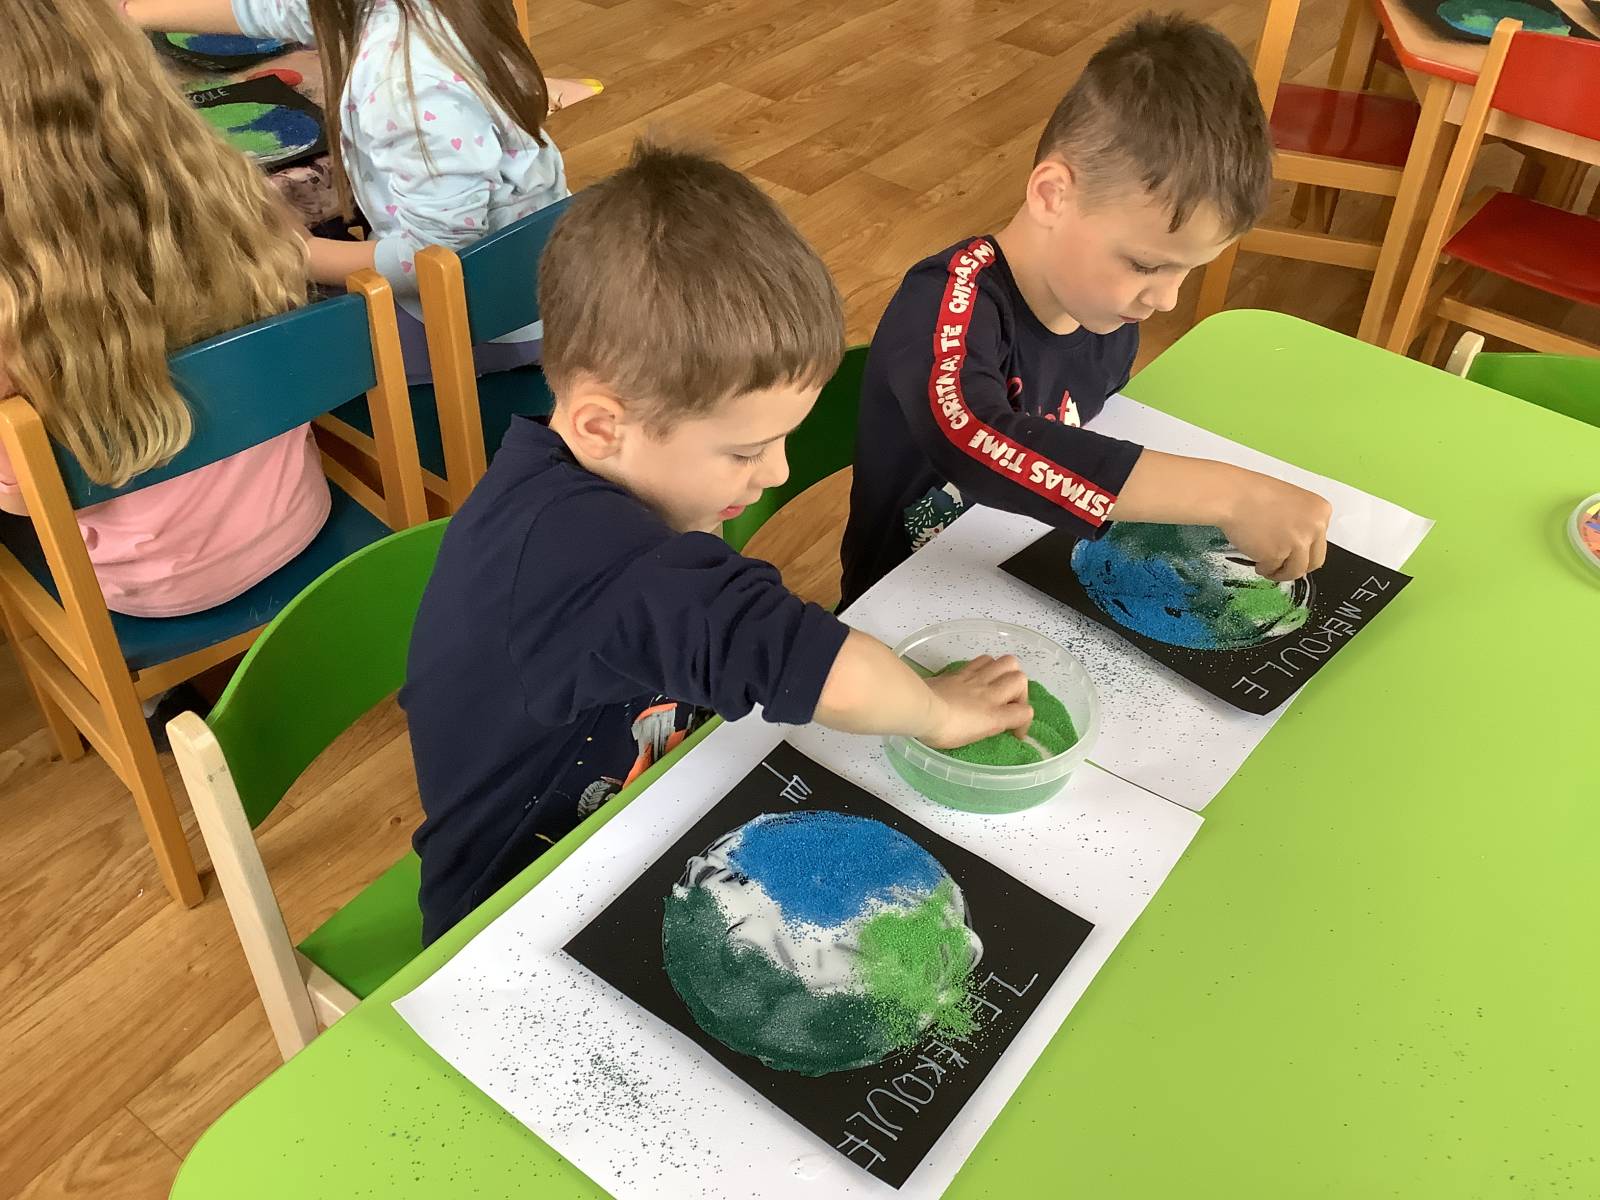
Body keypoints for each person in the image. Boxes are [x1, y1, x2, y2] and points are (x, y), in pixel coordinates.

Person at [402, 141, 1034, 944]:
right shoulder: (585, 555)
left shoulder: (619, 482)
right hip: (510, 914)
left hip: (655, 820)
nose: (777, 472)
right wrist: (936, 710)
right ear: (602, 425)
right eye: (745, 452)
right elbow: (798, 658)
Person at [838, 13, 1332, 611]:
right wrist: (1232, 495)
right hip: (901, 609)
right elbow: (973, 441)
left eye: (1187, 270)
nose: (1166, 299)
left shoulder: (1106, 317)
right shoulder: (946, 300)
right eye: (1146, 265)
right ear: (1052, 195)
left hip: (1025, 576)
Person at [0, 0, 328, 623]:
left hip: (149, 594)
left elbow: (23, 499)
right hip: (299, 516)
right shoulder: (231, 195)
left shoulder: (17, 309)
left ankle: (124, 684)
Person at [127, 0, 581, 381]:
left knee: (261, 356)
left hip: (482, 323)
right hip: (521, 287)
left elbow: (435, 256)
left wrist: (301, 253)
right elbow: (287, 11)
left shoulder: (405, 85)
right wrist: (130, 13)